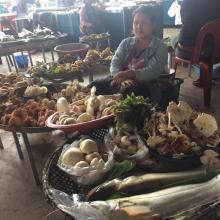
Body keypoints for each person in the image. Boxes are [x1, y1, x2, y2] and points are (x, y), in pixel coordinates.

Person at [90, 6, 168, 103]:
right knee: (93, 85)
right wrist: (120, 77)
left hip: (145, 85)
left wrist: (130, 74)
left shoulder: (160, 47)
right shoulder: (126, 43)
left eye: (144, 23)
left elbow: (153, 71)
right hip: (121, 80)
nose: (139, 26)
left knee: (127, 92)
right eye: (136, 23)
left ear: (153, 25)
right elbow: (115, 61)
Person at [175, 0, 220, 86]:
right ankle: (205, 76)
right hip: (214, 49)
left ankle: (204, 76)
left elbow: (183, 17)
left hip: (190, 49)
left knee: (174, 39)